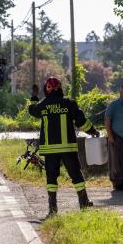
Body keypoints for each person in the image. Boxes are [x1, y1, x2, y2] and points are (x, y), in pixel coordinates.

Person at [29, 77, 100, 217]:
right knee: (76, 175)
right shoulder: (69, 103)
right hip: (68, 148)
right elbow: (81, 121)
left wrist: (34, 97)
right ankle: (84, 203)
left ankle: (53, 210)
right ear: (60, 88)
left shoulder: (43, 104)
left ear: (47, 88)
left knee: (51, 178)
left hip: (50, 150)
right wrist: (93, 131)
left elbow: (33, 111)